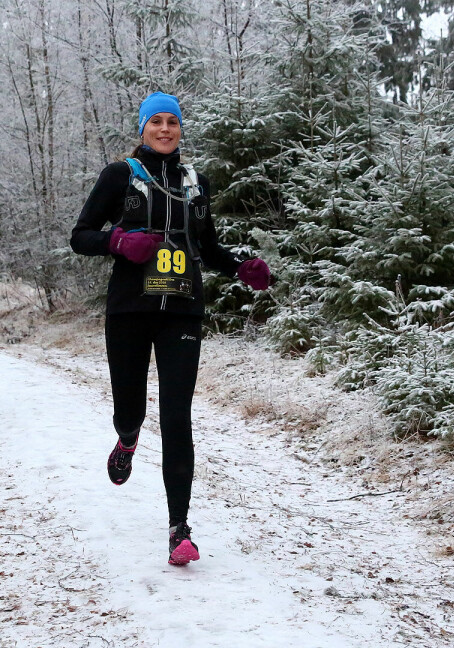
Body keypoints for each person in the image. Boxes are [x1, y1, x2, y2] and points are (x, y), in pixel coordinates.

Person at [70, 91, 271, 565]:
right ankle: (127, 437)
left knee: (178, 416)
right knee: (131, 409)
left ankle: (179, 528)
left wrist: (241, 268)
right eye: (156, 122)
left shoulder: (196, 182)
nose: (165, 129)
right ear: (142, 128)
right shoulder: (119, 176)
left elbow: (208, 246)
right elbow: (80, 235)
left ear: (181, 129)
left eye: (172, 122)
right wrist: (118, 241)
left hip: (182, 309)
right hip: (129, 309)